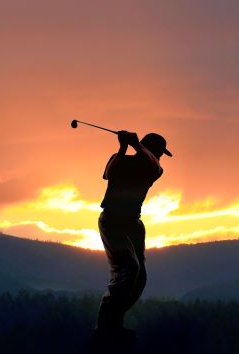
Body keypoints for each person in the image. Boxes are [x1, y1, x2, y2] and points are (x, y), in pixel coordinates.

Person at [93, 129, 172, 344]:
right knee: (129, 269)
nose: (161, 157)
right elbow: (110, 172)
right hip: (112, 220)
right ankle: (106, 325)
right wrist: (123, 147)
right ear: (154, 150)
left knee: (140, 276)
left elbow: (154, 166)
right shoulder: (120, 160)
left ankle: (114, 320)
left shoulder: (153, 168)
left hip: (133, 223)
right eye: (160, 152)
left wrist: (137, 146)